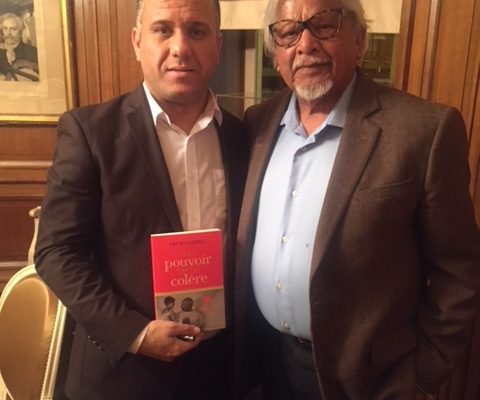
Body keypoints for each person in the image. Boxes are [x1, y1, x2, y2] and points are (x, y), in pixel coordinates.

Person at [234, 0, 480, 399]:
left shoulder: (424, 130)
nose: (305, 44)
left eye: (324, 24)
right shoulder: (257, 123)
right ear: (275, 53)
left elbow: (459, 270)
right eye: (288, 32)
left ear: (360, 39)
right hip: (269, 364)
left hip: (371, 380)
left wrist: (423, 376)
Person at [34, 0, 249, 399]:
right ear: (137, 42)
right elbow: (56, 253)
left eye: (197, 31)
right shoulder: (89, 132)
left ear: (218, 45)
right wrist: (135, 333)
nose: (180, 47)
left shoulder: (240, 136)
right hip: (124, 375)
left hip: (218, 371)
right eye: (163, 29)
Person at [0, 12, 38, 81]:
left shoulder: (33, 51)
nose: (9, 33)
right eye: (5, 28)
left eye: (13, 29)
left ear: (20, 31)